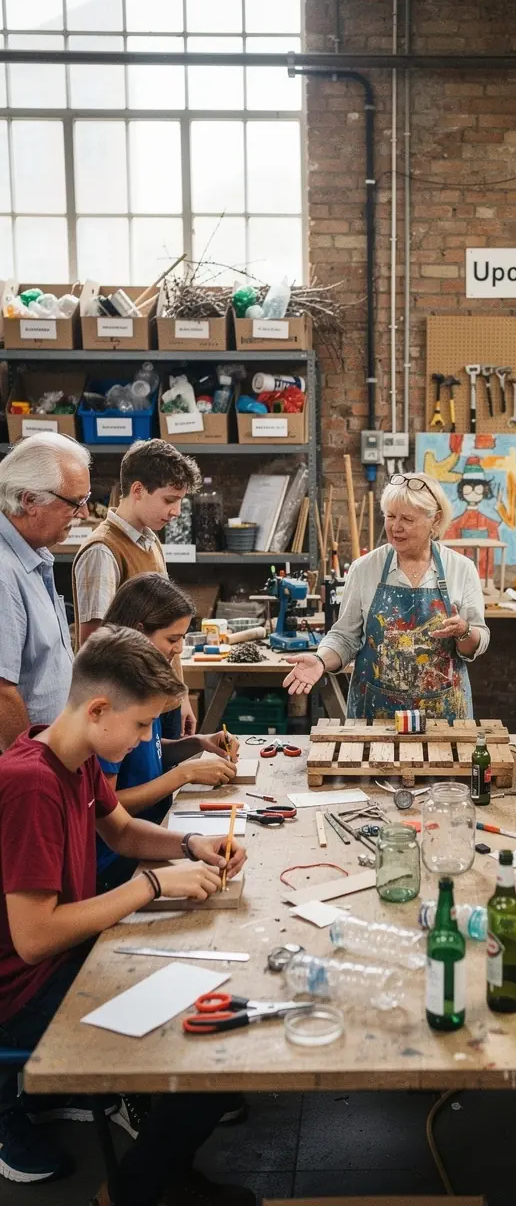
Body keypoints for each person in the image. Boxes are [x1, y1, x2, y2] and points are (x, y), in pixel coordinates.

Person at [0, 625, 250, 1203]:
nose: (144, 742)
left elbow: (121, 831)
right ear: (97, 708)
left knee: (213, 988)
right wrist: (156, 885)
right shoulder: (30, 785)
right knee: (212, 1045)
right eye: (140, 725)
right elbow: (34, 938)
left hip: (71, 958)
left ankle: (163, 1167)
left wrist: (191, 846)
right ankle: (134, 1189)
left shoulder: (74, 754)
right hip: (24, 990)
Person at [282, 472, 490, 717]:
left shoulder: (461, 568)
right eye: (390, 516)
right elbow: (345, 637)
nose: (395, 527)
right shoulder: (365, 568)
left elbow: (476, 642)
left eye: (408, 519)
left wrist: (464, 631)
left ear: (435, 520)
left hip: (443, 713)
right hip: (376, 711)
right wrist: (320, 660)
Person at [97, 574, 237, 891]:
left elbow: (148, 750)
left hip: (154, 832)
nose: (179, 649)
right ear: (137, 629)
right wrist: (183, 775)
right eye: (172, 639)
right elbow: (107, 807)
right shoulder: (111, 698)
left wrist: (197, 744)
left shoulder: (139, 679)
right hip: (118, 861)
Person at [72, 438, 202, 736]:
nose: (177, 511)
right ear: (138, 490)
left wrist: (179, 695)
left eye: (180, 501)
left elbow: (171, 629)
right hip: (127, 709)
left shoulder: (150, 540)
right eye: (169, 500)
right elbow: (96, 645)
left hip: (159, 698)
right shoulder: (103, 550)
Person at [0, 432, 92, 750]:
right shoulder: (4, 573)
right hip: (29, 774)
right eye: (75, 503)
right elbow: (2, 692)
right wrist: (37, 767)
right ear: (29, 501)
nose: (84, 514)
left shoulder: (33, 554)